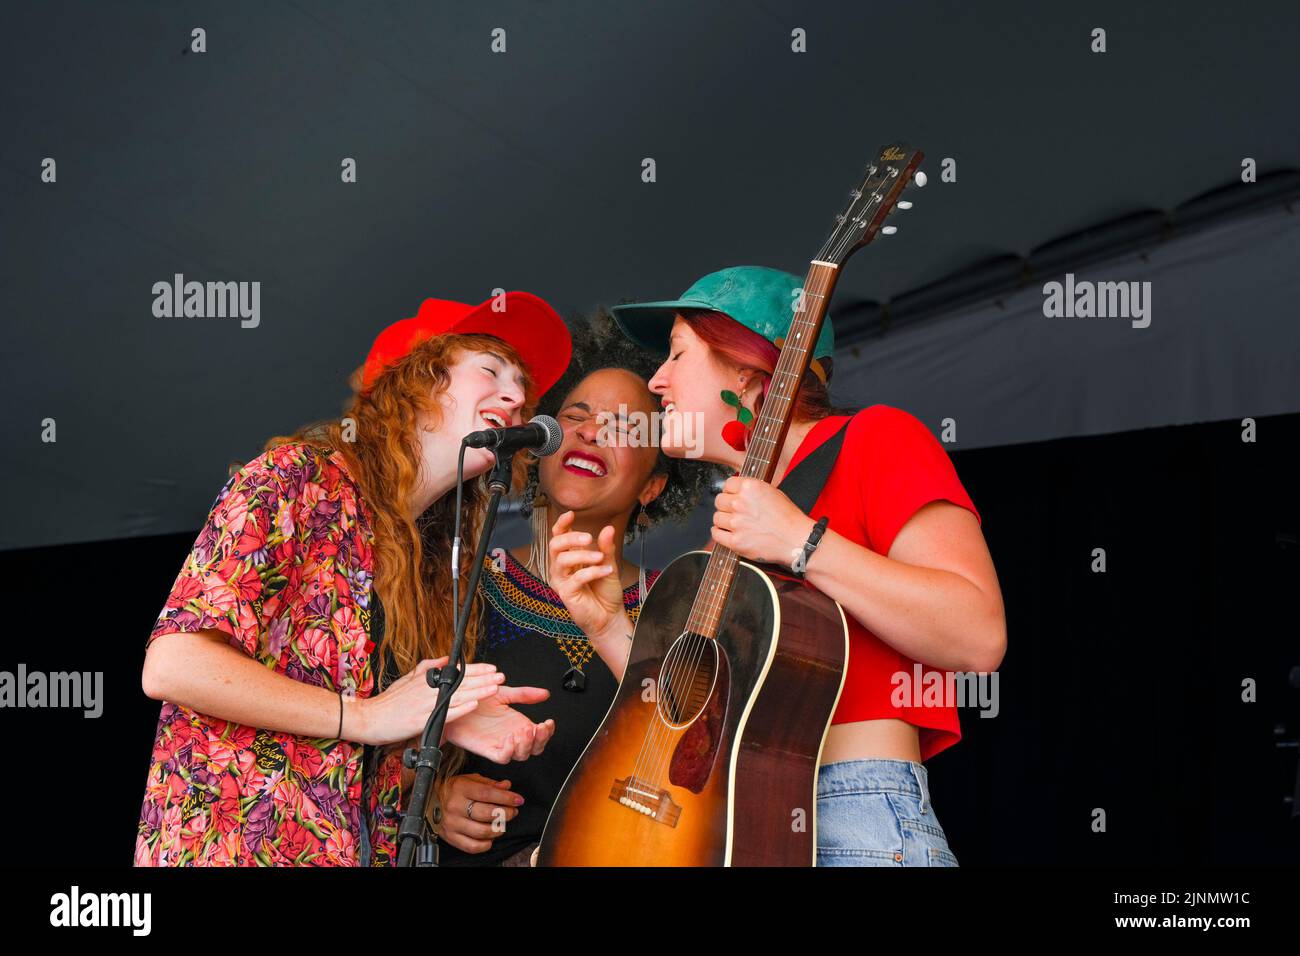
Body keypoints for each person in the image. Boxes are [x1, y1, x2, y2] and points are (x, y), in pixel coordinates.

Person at [550, 266, 1007, 866]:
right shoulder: (738, 524)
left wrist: (803, 542)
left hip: (856, 811)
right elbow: (692, 731)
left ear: (747, 371)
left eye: (677, 355)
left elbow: (977, 635)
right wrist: (608, 626)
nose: (657, 381)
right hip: (738, 824)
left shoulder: (875, 439)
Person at [136, 292, 570, 866]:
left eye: (522, 387)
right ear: (414, 384)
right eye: (490, 370)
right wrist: (365, 717)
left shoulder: (439, 563)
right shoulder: (295, 478)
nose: (517, 399)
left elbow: (369, 734)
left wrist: (441, 721)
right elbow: (174, 665)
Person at [435, 310, 718, 866]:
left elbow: (704, 758)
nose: (591, 432)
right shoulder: (458, 581)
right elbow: (380, 735)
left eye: (623, 428)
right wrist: (430, 799)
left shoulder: (683, 605)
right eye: (576, 416)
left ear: (654, 484)